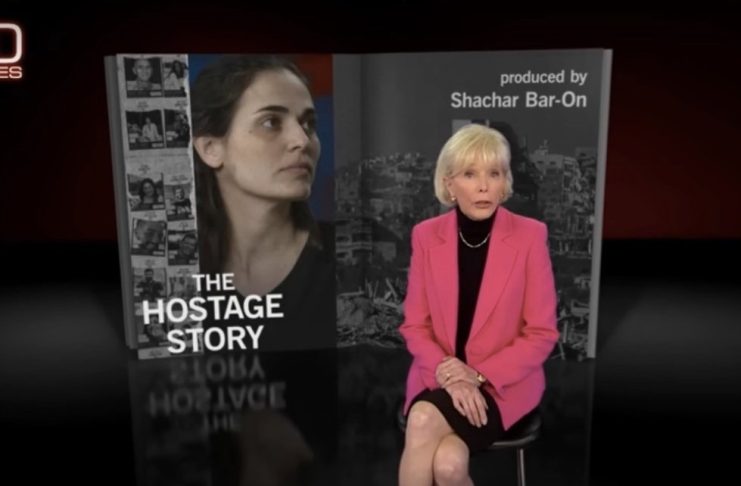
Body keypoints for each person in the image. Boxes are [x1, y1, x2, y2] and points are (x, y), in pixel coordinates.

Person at [398, 124, 560, 486]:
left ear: (505, 183)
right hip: (437, 376)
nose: (484, 186)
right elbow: (415, 325)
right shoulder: (426, 236)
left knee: (422, 421)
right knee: (448, 467)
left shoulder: (530, 236)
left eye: (494, 174)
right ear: (449, 184)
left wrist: (477, 375)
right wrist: (449, 375)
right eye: (470, 174)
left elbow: (541, 333)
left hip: (504, 386)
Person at [191, 55, 334, 350]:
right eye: (271, 122)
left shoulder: (356, 258)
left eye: (309, 123)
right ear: (211, 149)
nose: (302, 140)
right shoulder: (173, 274)